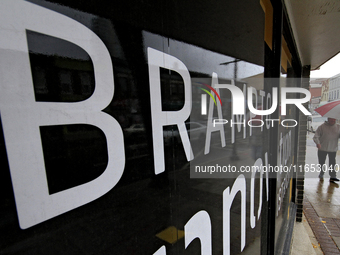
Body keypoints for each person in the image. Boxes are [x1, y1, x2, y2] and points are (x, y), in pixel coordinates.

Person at [313, 117, 340, 182]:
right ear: (328, 119)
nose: (332, 120)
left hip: (333, 148)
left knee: (332, 163)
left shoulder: (338, 127)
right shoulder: (321, 127)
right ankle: (321, 173)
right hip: (322, 148)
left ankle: (333, 176)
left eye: (334, 119)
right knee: (322, 162)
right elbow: (316, 136)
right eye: (331, 119)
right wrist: (318, 143)